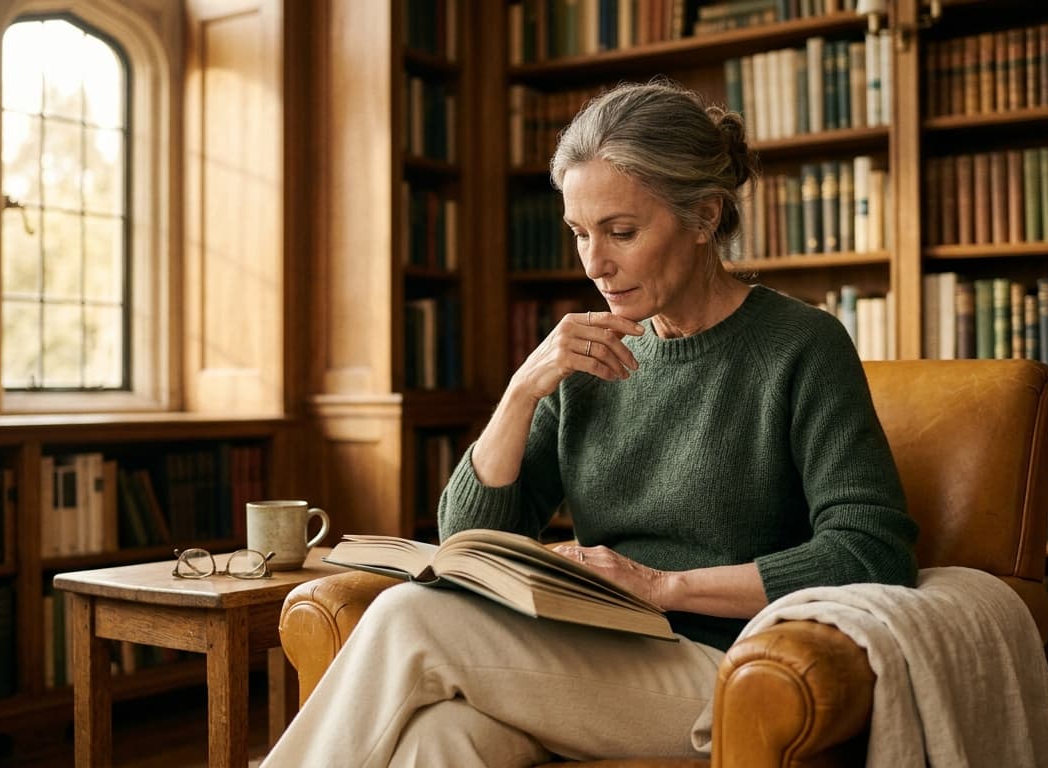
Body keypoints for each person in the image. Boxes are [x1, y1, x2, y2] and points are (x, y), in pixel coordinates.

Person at [260, 79, 918, 768]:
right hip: (594, 650)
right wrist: (523, 389)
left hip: (731, 665)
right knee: (438, 737)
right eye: (579, 233)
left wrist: (664, 586)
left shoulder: (801, 345)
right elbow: (468, 542)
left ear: (704, 217)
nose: (596, 264)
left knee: (405, 618)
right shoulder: (591, 355)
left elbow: (871, 551)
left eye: (621, 232)